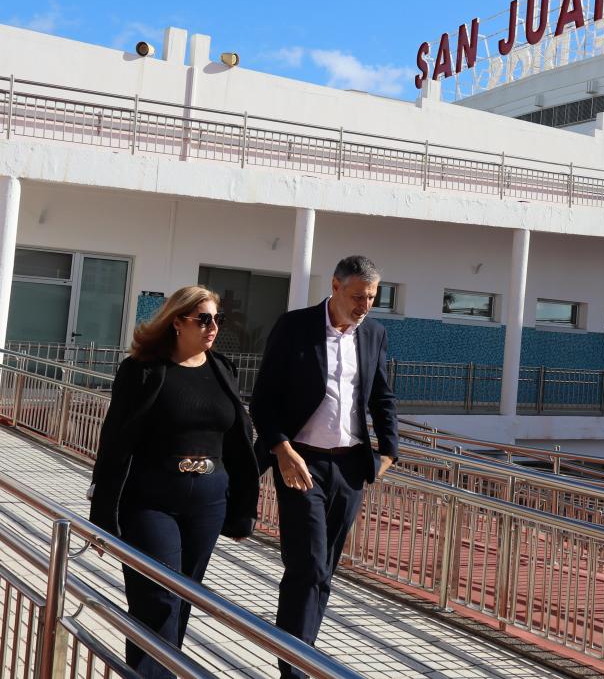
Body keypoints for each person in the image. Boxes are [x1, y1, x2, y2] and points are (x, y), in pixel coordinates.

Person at [89, 286, 259, 679]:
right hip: (151, 501)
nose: (213, 326)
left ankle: (165, 670)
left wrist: (242, 508)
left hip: (208, 505)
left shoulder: (223, 369)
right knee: (157, 597)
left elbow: (236, 441)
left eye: (217, 318)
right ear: (177, 321)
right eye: (203, 319)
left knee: (184, 598)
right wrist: (101, 517)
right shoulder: (143, 371)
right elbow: (115, 442)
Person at [250, 255, 398, 679]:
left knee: (325, 570)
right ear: (334, 286)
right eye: (357, 296)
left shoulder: (374, 334)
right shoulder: (295, 327)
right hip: (302, 461)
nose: (364, 305)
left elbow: (382, 397)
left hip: (350, 466)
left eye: (372, 297)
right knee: (308, 566)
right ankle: (293, 668)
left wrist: (388, 453)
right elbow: (263, 399)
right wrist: (281, 449)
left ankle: (302, 655)